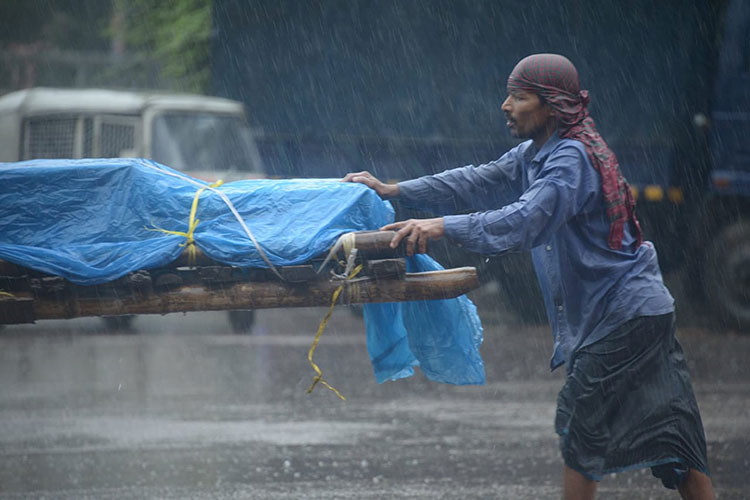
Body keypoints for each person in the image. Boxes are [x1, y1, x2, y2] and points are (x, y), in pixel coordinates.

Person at [343, 53, 715, 499]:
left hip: (620, 317)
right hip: (639, 311)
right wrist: (396, 189)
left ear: (552, 106)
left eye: (519, 97)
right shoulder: (538, 153)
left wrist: (441, 226)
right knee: (671, 437)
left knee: (582, 429)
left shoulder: (571, 161)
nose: (506, 105)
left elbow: (524, 222)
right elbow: (475, 180)